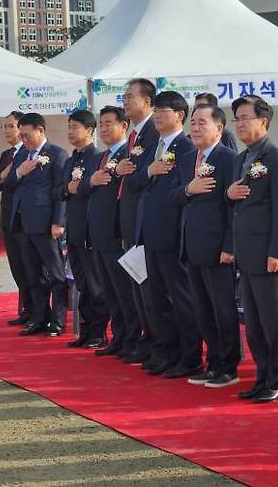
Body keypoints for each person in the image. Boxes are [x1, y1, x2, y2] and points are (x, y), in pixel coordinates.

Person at [128, 91, 201, 378]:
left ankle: (190, 356)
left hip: (171, 234)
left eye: (163, 110)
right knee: (156, 299)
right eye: (155, 109)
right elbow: (134, 180)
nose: (157, 114)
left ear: (180, 115)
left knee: (180, 298)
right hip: (149, 233)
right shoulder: (152, 146)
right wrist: (150, 169)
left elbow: (184, 191)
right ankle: (167, 352)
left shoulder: (186, 147)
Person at [227, 95, 278, 403]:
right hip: (246, 253)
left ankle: (277, 379)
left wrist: (277, 251)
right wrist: (228, 193)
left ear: (263, 122)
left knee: (273, 320)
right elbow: (236, 204)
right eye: (236, 118)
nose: (239, 124)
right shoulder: (242, 158)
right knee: (253, 324)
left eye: (245, 118)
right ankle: (262, 376)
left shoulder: (275, 158)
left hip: (268, 254)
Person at [173, 104, 240, 388]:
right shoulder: (189, 158)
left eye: (202, 123)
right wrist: (190, 189)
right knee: (201, 309)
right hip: (191, 245)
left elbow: (233, 209)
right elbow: (175, 196)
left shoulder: (229, 159)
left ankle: (228, 365)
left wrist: (229, 246)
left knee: (222, 309)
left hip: (218, 248)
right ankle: (212, 361)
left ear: (219, 128)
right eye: (193, 123)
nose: (196, 128)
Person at [4, 113, 69, 337]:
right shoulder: (22, 153)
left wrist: (59, 221)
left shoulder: (56, 154)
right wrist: (19, 173)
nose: (24, 139)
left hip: (45, 222)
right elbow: (9, 184)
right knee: (33, 274)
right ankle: (39, 317)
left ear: (40, 130)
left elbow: (61, 190)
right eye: (21, 135)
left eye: (27, 135)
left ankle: (58, 321)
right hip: (23, 221)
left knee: (55, 274)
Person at [86, 106, 142, 360]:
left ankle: (132, 339)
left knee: (124, 291)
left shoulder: (129, 155)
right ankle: (119, 337)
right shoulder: (103, 156)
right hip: (99, 233)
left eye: (110, 123)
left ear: (124, 126)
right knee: (110, 291)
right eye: (102, 123)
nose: (105, 128)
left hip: (117, 232)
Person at [114, 78, 160, 363]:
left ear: (147, 101)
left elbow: (140, 175)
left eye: (130, 96)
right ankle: (146, 339)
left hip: (146, 222)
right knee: (137, 286)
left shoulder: (155, 133)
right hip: (130, 219)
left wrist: (126, 171)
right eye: (124, 96)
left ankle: (156, 342)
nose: (125, 101)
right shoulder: (136, 135)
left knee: (150, 289)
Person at [59, 110, 110, 349]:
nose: (70, 132)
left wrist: (77, 188)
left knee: (94, 284)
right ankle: (87, 330)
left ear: (89, 131)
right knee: (81, 282)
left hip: (91, 229)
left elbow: (95, 188)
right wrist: (68, 188)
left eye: (75, 127)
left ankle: (99, 332)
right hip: (74, 230)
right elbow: (58, 191)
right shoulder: (70, 160)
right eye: (69, 127)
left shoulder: (97, 158)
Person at [0, 111, 33, 325]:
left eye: (11, 126)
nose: (8, 130)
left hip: (26, 218)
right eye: (5, 126)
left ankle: (38, 310)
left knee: (31, 265)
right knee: (16, 265)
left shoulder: (30, 153)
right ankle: (26, 308)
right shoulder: (6, 155)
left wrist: (11, 175)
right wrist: (6, 172)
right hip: (9, 217)